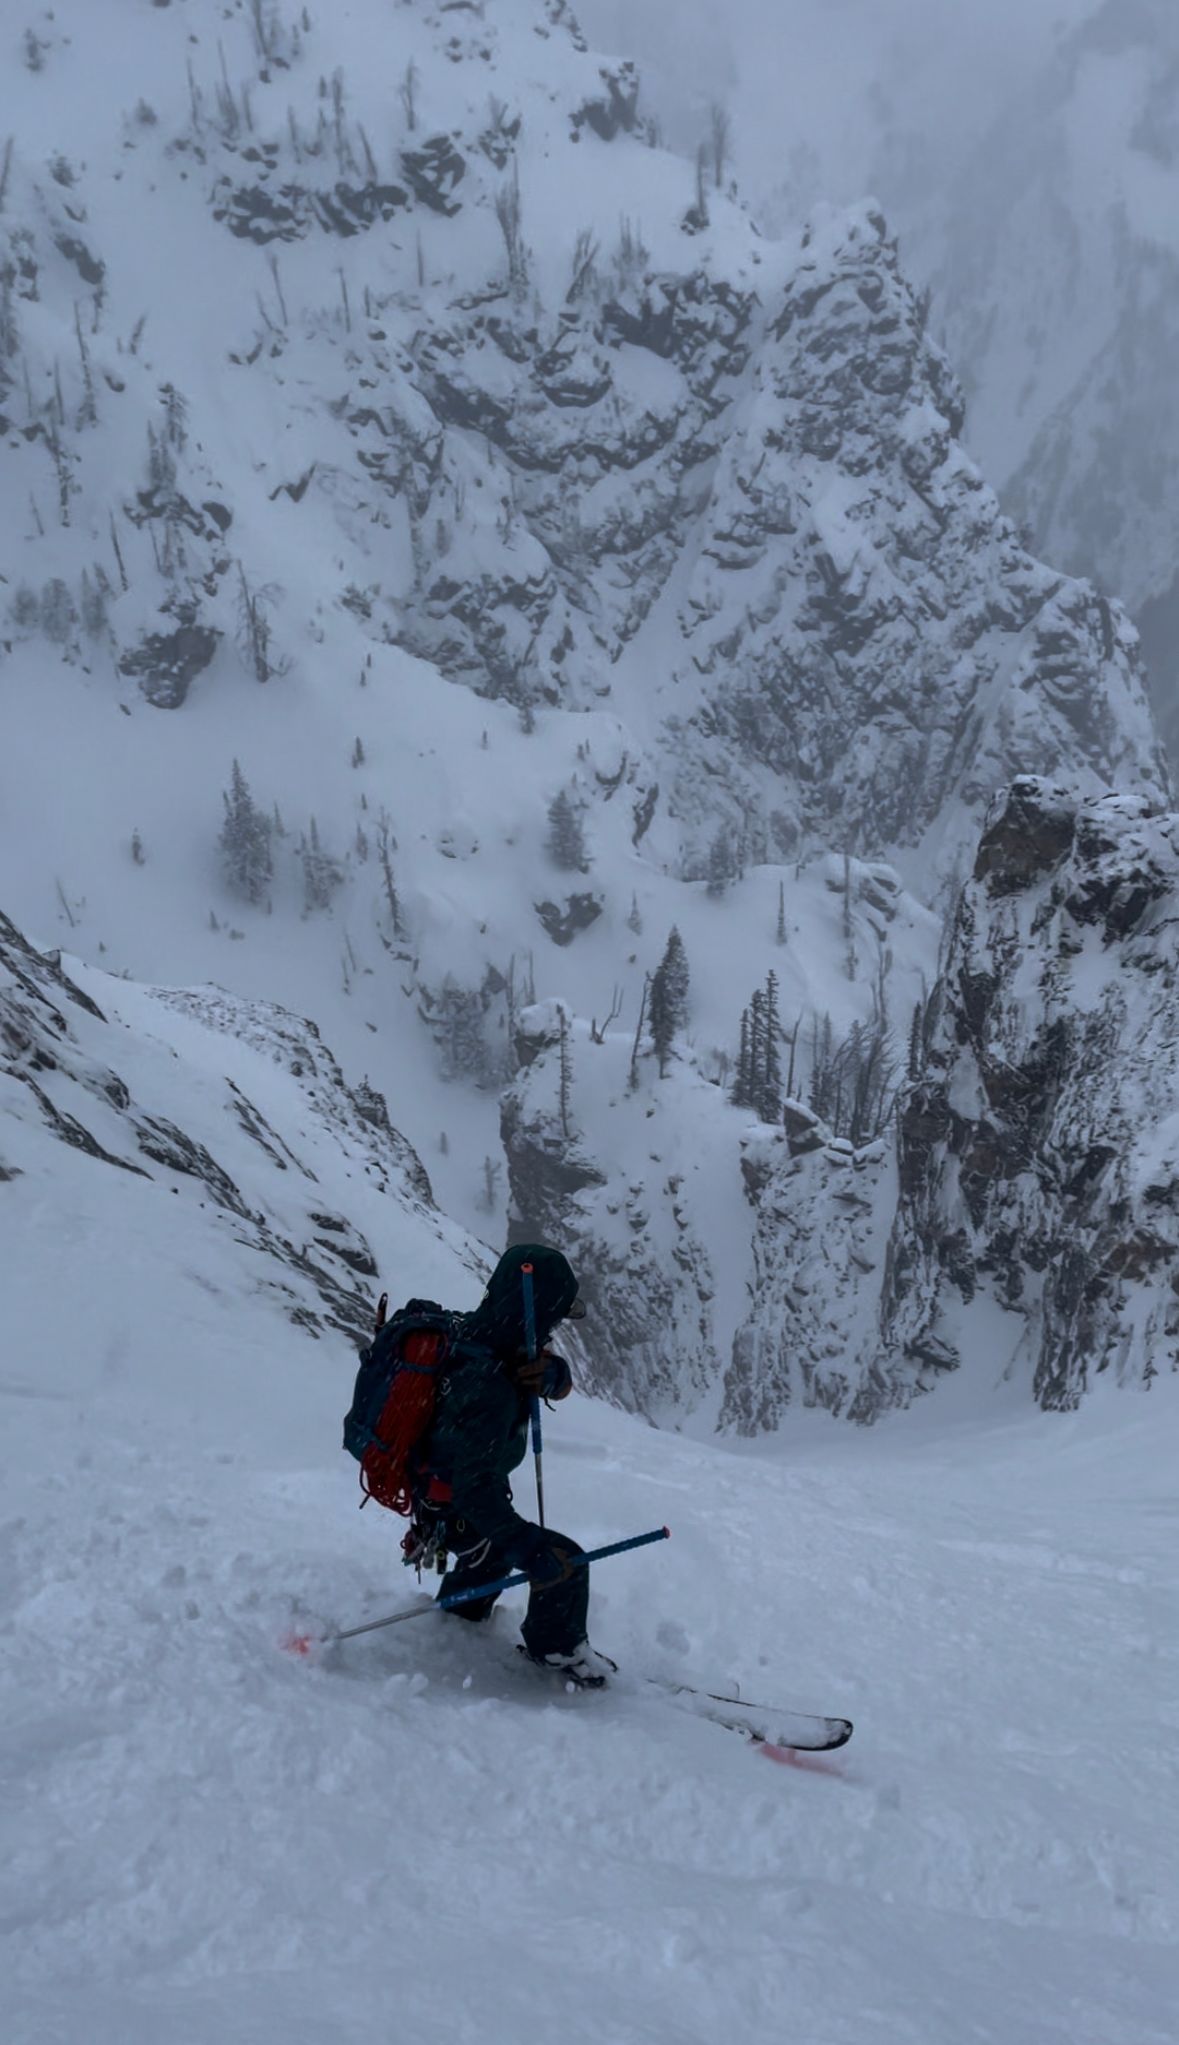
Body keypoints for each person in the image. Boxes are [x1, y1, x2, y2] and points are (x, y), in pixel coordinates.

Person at [407, 1243, 614, 1688]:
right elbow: (473, 1487)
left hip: (439, 1500)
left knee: (490, 1557)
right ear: (538, 1309)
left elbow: (532, 1373)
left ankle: (458, 1620)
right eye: (556, 1313)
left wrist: (554, 1375)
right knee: (564, 1561)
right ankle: (559, 1656)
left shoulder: (476, 1335)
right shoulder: (489, 1384)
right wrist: (530, 1548)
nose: (557, 1325)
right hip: (460, 1507)